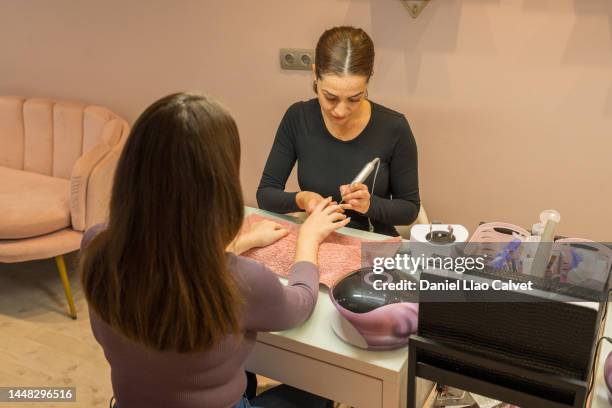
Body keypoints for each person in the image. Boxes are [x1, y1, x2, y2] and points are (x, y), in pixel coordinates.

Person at [79, 93, 350, 408]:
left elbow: (171, 252)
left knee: (247, 374)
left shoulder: (96, 245)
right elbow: (300, 305)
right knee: (323, 387)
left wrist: (241, 243)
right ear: (219, 185)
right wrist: (308, 238)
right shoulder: (241, 281)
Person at [257, 26, 420, 236]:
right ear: (315, 74)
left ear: (368, 80)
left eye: (354, 98)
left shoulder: (394, 128)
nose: (341, 111)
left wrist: (370, 205)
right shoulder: (298, 118)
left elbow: (409, 210)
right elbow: (266, 194)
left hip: (372, 246)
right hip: (317, 238)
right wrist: (302, 199)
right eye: (330, 97)